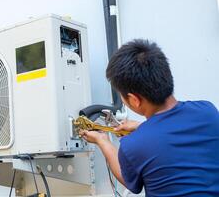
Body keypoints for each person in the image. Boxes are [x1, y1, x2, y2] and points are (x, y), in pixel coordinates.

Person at [79, 39, 219, 197]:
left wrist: (102, 141)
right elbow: (175, 136)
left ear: (134, 100)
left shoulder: (134, 145)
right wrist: (141, 127)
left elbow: (129, 180)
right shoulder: (208, 111)